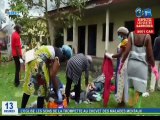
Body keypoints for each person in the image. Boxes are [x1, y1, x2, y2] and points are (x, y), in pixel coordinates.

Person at [119, 31, 159, 108]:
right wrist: (154, 69)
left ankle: (131, 106)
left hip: (131, 65)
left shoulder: (131, 34)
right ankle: (137, 109)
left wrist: (121, 64)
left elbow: (127, 51)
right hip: (142, 66)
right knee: (139, 90)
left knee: (131, 87)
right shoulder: (147, 36)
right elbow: (150, 55)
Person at [105, 27, 129, 107]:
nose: (118, 36)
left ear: (122, 34)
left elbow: (119, 54)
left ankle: (121, 102)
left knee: (121, 83)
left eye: (119, 34)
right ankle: (122, 101)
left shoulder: (125, 42)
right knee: (121, 83)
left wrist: (110, 55)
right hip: (122, 63)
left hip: (123, 64)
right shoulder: (125, 41)